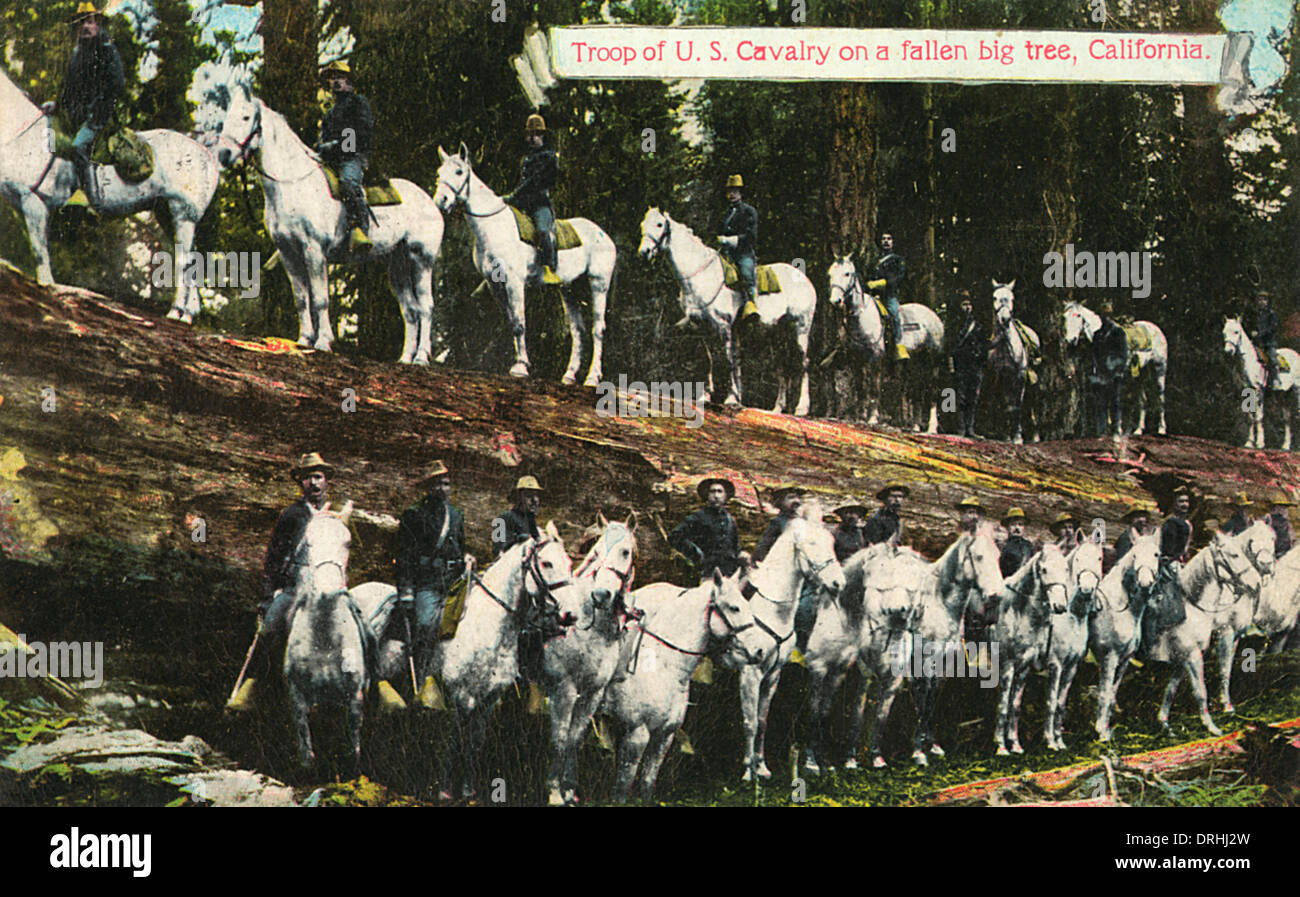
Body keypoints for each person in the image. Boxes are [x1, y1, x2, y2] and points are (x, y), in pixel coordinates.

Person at [228, 453, 340, 711]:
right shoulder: (291, 515)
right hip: (295, 587)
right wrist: (269, 597)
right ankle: (250, 688)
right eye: (307, 478)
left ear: (326, 481)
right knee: (269, 630)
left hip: (327, 587)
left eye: (318, 477)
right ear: (300, 483)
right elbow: (273, 558)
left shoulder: (336, 517)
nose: (313, 483)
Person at [395, 460, 468, 708]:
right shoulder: (414, 514)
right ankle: (419, 678)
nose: (443, 488)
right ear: (427, 487)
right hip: (427, 582)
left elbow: (461, 546)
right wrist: (406, 590)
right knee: (426, 623)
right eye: (437, 483)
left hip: (454, 582)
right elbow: (403, 556)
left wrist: (466, 561)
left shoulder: (456, 515)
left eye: (446, 483)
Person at [43, 4, 125, 209]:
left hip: (101, 117)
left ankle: (92, 200)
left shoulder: (107, 51)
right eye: (81, 24)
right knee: (50, 135)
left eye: (89, 22)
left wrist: (96, 114)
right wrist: (56, 104)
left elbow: (116, 85)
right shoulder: (78, 53)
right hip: (78, 116)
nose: (85, 27)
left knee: (79, 145)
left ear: (98, 25)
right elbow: (69, 88)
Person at [315, 61, 375, 254]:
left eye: (339, 77)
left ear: (349, 81)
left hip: (353, 157)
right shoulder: (330, 113)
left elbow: (362, 131)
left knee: (348, 182)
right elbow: (322, 139)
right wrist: (321, 148)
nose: (335, 82)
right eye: (332, 78)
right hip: (332, 160)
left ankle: (360, 230)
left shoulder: (358, 103)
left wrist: (336, 145)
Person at [504, 114, 561, 284]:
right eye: (529, 135)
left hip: (540, 204)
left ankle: (549, 269)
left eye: (535, 134)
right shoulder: (528, 158)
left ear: (542, 135)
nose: (531, 138)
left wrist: (513, 196)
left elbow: (532, 182)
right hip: (524, 205)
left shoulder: (549, 157)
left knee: (543, 230)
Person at [669, 477, 744, 580]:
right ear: (707, 495)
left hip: (729, 572)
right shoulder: (698, 517)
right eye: (712, 492)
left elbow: (735, 545)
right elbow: (675, 536)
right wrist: (695, 553)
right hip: (707, 571)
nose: (716, 496)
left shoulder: (730, 520)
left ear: (726, 496)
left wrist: (740, 555)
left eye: (720, 492)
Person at [717, 174, 760, 328]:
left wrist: (732, 240)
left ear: (741, 192)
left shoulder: (749, 211)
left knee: (746, 272)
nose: (732, 194)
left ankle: (752, 306)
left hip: (744, 252)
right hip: (727, 254)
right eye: (730, 191)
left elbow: (751, 236)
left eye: (735, 190)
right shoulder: (727, 212)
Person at [948, 291, 985, 438]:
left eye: (969, 305)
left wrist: (980, 360)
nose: (967, 308)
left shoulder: (977, 326)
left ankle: (970, 428)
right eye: (964, 305)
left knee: (973, 398)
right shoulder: (955, 326)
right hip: (961, 365)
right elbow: (951, 345)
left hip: (974, 366)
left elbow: (983, 345)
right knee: (960, 397)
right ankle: (961, 428)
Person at [866, 232, 907, 360]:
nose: (886, 241)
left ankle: (899, 345)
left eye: (889, 239)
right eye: (883, 239)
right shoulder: (874, 259)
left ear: (893, 242)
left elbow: (899, 277)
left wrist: (884, 282)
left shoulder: (897, 260)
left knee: (895, 315)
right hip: (874, 295)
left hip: (889, 295)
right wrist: (870, 283)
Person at [1091, 299, 1129, 437]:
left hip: (1114, 373)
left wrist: (1117, 369)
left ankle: (1116, 428)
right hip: (1101, 374)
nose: (1104, 318)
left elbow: (1123, 354)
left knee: (1115, 401)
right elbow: (1094, 354)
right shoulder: (1097, 335)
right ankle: (1101, 431)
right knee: (1100, 403)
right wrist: (1095, 370)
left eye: (1107, 315)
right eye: (1102, 315)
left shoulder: (1118, 332)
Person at [493, 476, 542, 557]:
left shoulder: (531, 520)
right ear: (519, 498)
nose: (535, 500)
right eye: (529, 496)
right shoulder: (502, 519)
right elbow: (498, 549)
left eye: (536, 495)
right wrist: (517, 540)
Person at [753, 486, 804, 563]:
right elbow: (764, 545)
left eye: (797, 497)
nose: (796, 500)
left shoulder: (801, 521)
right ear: (781, 502)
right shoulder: (778, 522)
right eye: (791, 497)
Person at [1250, 292, 1279, 389]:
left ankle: (1276, 378)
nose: (1262, 302)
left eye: (1264, 299)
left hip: (1269, 342)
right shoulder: (1255, 314)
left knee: (1272, 357)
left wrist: (1260, 333)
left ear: (1268, 301)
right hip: (1258, 342)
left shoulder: (1272, 314)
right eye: (1259, 300)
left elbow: (1272, 328)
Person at [999, 507, 1034, 577]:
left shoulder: (1029, 546)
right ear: (1007, 527)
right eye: (1013, 524)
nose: (1017, 528)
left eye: (1020, 524)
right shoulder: (1001, 546)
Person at [1266, 493, 1294, 558]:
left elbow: (1292, 540)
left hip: (1287, 555)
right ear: (1275, 508)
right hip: (1273, 555)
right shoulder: (1269, 520)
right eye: (1281, 507)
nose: (1284, 510)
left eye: (1285, 507)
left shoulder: (1286, 522)